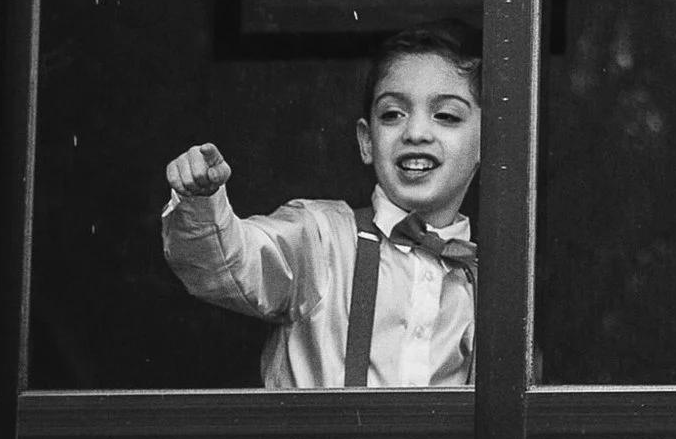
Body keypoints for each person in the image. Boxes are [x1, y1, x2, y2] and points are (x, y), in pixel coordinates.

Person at [161, 19, 481, 387]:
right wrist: (201, 201)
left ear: (488, 142)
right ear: (366, 141)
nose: (416, 133)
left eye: (446, 116)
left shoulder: (489, 286)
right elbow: (228, 263)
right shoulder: (320, 238)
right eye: (393, 114)